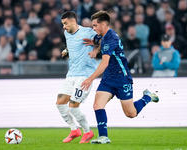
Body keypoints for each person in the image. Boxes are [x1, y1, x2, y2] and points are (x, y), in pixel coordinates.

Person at [81, 10, 159, 144]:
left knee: (131, 114)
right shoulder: (105, 36)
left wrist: (90, 79)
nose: (93, 28)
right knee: (97, 105)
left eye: (95, 25)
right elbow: (100, 42)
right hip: (108, 79)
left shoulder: (110, 38)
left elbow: (104, 63)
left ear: (104, 24)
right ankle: (103, 136)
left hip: (122, 78)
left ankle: (147, 97)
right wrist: (95, 48)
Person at [56, 11, 96, 143]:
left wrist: (96, 50)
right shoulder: (67, 33)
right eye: (63, 24)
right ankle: (74, 130)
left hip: (84, 75)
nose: (64, 27)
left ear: (73, 21)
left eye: (65, 23)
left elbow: (103, 40)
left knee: (73, 106)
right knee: (60, 103)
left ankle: (88, 132)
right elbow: (72, 44)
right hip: (71, 74)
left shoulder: (88, 32)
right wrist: (66, 50)